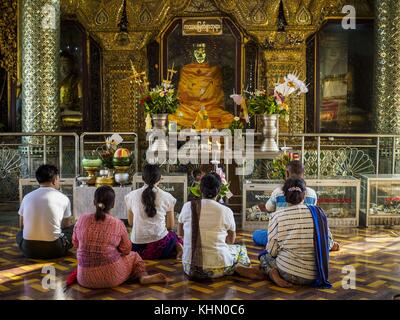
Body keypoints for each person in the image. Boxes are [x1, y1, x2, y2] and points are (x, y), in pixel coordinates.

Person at [72, 186, 169, 289]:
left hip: (83, 277)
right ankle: (143, 277)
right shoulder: (117, 223)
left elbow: (75, 244)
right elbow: (127, 250)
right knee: (134, 256)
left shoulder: (81, 219)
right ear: (113, 204)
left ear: (94, 202)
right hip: (110, 277)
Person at [178, 173, 263, 281]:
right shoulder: (226, 211)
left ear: (200, 189)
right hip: (218, 266)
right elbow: (231, 240)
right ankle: (239, 267)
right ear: (218, 191)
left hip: (189, 267)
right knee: (240, 248)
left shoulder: (187, 206)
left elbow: (180, 234)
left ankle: (234, 267)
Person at [259, 178, 333, 288]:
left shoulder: (277, 216)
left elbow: (272, 252)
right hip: (315, 274)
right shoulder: (319, 213)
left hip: (287, 273)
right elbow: (329, 244)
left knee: (264, 256)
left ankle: (273, 274)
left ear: (284, 195)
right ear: (304, 195)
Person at [254, 160, 340, 251]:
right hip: (308, 238)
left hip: (283, 238)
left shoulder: (277, 192)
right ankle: (327, 244)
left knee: (257, 234)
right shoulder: (312, 193)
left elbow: (268, 208)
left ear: (287, 173)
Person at [125, 164, 183, 260]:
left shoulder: (130, 196)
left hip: (137, 248)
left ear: (143, 178)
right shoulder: (167, 197)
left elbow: (131, 223)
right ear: (160, 179)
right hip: (160, 247)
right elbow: (170, 226)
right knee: (174, 236)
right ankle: (178, 249)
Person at [16, 164, 74, 259]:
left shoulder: (27, 197)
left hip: (28, 249)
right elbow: (66, 226)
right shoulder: (64, 198)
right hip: (54, 250)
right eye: (58, 179)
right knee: (72, 229)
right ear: (54, 180)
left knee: (19, 234)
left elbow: (22, 225)